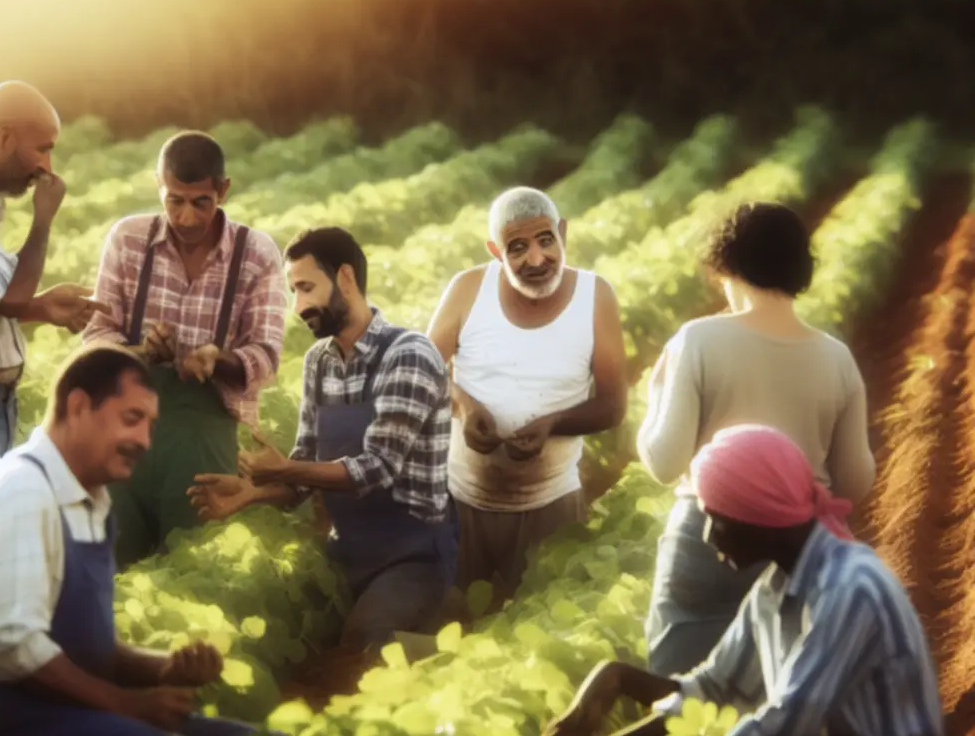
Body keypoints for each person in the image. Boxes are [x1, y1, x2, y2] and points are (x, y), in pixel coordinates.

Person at [540, 425, 954, 736]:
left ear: (759, 516)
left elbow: (787, 725)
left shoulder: (850, 586)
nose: (711, 536)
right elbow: (712, 689)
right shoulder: (772, 592)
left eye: (718, 518)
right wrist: (620, 730)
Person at [0, 345, 271, 736]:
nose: (144, 439)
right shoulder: (21, 491)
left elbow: (84, 642)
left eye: (149, 425)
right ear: (79, 406)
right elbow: (15, 647)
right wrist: (126, 704)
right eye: (131, 418)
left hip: (71, 707)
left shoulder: (90, 497)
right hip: (6, 717)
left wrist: (163, 669)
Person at [190, 227, 457, 653]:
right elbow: (305, 465)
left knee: (368, 643)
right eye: (293, 291)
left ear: (346, 279)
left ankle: (450, 662)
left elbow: (379, 467)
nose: (298, 307)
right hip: (347, 549)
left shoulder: (409, 354)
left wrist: (287, 469)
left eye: (307, 288)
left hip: (414, 555)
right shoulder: (319, 362)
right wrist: (251, 493)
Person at [636, 202, 876, 675]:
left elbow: (665, 463)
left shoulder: (699, 340)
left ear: (726, 263)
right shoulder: (836, 358)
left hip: (712, 535)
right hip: (795, 544)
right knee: (779, 686)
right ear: (799, 270)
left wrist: (653, 400)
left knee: (682, 689)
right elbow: (855, 482)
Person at [83, 130, 287, 569]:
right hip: (123, 434)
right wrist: (139, 353)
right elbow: (97, 334)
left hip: (202, 439)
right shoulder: (128, 239)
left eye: (201, 202)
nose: (188, 217)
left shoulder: (255, 254)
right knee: (113, 568)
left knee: (194, 569)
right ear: (158, 184)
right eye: (174, 200)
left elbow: (267, 355)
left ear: (223, 190)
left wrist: (218, 358)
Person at [426, 186, 627, 601]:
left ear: (563, 234)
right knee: (452, 630)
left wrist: (553, 423)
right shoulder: (468, 290)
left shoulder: (595, 295)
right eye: (517, 247)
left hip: (551, 505)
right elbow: (422, 374)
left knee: (541, 625)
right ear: (495, 251)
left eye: (545, 241)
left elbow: (613, 405)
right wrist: (464, 405)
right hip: (461, 503)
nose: (536, 260)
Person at [0, 81, 107, 489]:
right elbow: (7, 297)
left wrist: (40, 308)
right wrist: (43, 220)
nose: (47, 168)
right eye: (43, 148)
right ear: (2, 138)